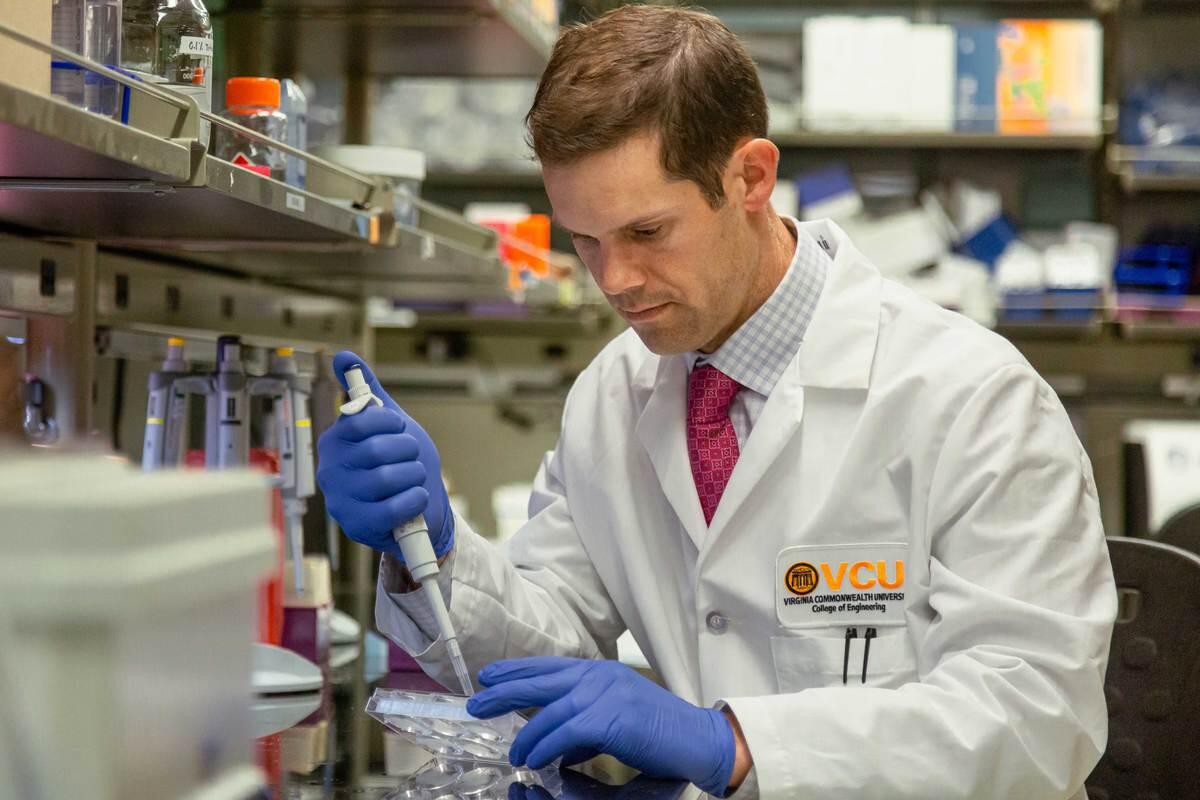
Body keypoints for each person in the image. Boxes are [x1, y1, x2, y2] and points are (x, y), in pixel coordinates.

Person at [317, 5, 1116, 798]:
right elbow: (554, 634)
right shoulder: (612, 395)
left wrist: (731, 744)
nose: (615, 279)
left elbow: (1036, 719)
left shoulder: (973, 397)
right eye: (586, 240)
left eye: (648, 232)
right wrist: (434, 550)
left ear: (750, 178)